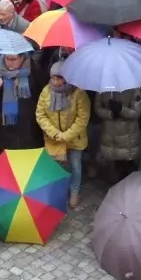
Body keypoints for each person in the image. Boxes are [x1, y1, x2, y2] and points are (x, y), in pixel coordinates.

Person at [36, 61, 90, 208]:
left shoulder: (78, 93)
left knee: (75, 166)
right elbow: (40, 115)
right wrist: (54, 133)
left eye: (59, 78)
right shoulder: (46, 91)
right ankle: (58, 191)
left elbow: (82, 118)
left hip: (74, 138)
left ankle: (74, 192)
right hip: (54, 138)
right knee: (55, 167)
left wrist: (66, 135)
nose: (56, 81)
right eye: (53, 78)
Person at [93, 87, 141, 183]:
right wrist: (110, 114)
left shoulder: (133, 89)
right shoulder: (103, 88)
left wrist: (121, 109)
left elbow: (136, 112)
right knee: (117, 167)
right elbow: (98, 107)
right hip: (111, 135)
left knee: (129, 167)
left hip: (127, 136)